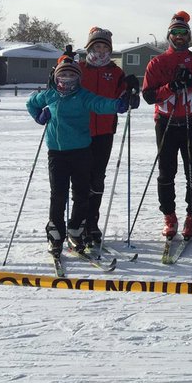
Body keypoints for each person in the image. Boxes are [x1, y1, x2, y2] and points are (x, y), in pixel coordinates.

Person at [27, 55, 128, 258]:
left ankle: (76, 230)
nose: (66, 79)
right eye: (62, 75)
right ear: (56, 78)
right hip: (56, 153)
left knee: (81, 194)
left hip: (81, 151)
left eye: (71, 75)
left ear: (78, 79)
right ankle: (55, 234)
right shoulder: (50, 95)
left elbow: (100, 104)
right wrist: (39, 117)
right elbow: (31, 103)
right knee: (58, 194)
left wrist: (117, 105)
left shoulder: (83, 96)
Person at [141, 11, 192, 242]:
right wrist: (171, 86)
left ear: (189, 36)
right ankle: (169, 216)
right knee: (166, 172)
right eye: (175, 32)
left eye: (183, 33)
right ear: (169, 35)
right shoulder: (158, 62)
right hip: (167, 122)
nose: (179, 36)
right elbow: (149, 95)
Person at [76, 26, 133, 249]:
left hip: (105, 133)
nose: (100, 51)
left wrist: (131, 92)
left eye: (104, 47)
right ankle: (77, 224)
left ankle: (92, 224)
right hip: (79, 132)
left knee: (97, 179)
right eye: (96, 46)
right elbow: (61, 86)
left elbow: (123, 100)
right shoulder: (79, 69)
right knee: (81, 181)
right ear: (89, 47)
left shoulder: (116, 72)